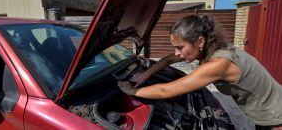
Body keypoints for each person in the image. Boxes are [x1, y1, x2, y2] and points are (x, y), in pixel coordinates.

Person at [118, 15, 282, 129]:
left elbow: (166, 90)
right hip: (266, 112)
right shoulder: (211, 49)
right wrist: (146, 74)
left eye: (180, 47)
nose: (177, 53)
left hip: (276, 116)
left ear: (200, 41)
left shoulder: (219, 63)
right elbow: (169, 59)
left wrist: (132, 91)